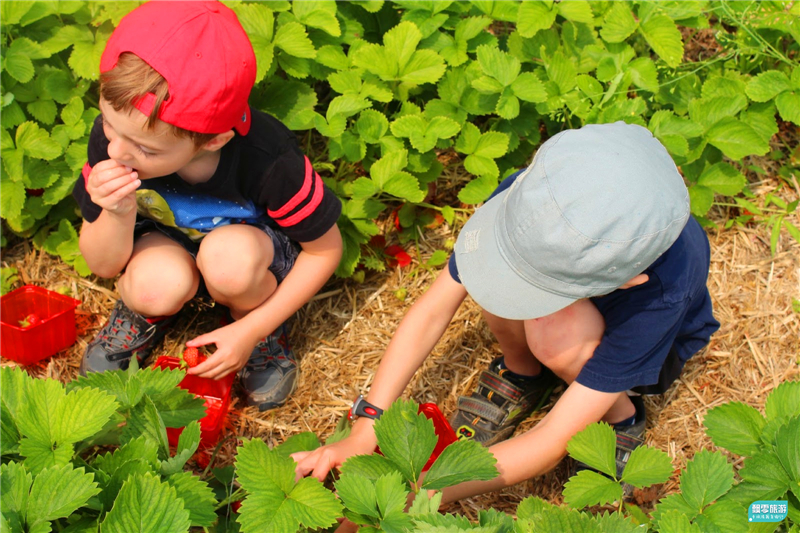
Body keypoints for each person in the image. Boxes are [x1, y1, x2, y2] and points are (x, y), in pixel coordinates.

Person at [293, 122, 719, 506]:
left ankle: (621, 417)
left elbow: (550, 440)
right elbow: (433, 310)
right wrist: (368, 422)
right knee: (492, 276)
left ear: (626, 280)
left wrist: (424, 491)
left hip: (643, 344)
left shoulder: (661, 290)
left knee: (557, 337)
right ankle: (523, 373)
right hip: (582, 298)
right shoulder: (536, 201)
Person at [72, 1, 343, 411]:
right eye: (108, 123)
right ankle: (144, 313)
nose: (116, 151)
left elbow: (325, 251)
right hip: (164, 243)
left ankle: (254, 322)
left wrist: (253, 328)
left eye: (146, 149)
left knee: (229, 262)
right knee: (152, 286)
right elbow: (103, 265)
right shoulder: (120, 140)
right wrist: (117, 212)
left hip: (247, 255)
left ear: (214, 140)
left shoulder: (267, 159)